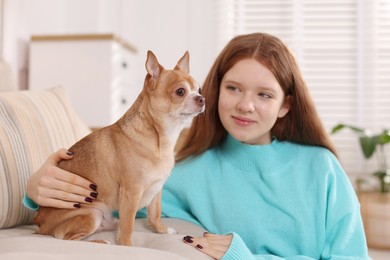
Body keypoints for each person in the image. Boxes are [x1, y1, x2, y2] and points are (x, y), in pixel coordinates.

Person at [24, 32, 370, 259]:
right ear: (215, 92)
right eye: (233, 88)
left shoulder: (321, 169)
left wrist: (245, 257)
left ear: (286, 105)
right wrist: (37, 191)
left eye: (264, 94)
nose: (245, 105)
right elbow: (116, 193)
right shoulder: (183, 167)